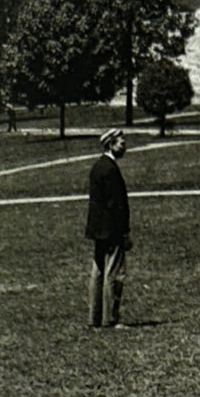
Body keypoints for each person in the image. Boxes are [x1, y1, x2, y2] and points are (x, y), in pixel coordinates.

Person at [85, 128, 131, 328]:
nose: (124, 146)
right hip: (112, 229)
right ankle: (111, 319)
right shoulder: (111, 170)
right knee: (114, 273)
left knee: (98, 272)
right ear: (111, 144)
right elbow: (116, 204)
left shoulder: (97, 167)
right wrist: (124, 232)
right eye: (121, 143)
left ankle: (94, 318)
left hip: (98, 229)